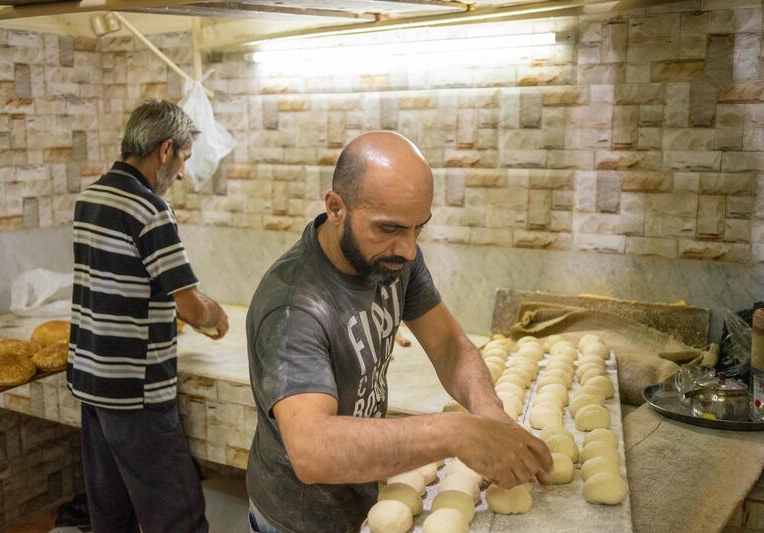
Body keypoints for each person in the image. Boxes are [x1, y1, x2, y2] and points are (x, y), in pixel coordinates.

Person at [245, 131, 552, 533]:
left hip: (366, 491)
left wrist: (490, 416)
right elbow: (312, 450)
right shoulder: (293, 306)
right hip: (301, 520)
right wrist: (457, 432)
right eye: (389, 228)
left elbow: (447, 344)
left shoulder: (391, 259)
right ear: (336, 207)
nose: (407, 249)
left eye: (417, 228)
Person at [67, 99, 229, 533]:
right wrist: (216, 317)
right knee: (177, 517)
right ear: (165, 149)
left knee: (112, 515)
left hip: (90, 380)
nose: (180, 174)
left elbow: (123, 284)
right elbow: (191, 306)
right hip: (134, 392)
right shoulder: (150, 209)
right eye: (183, 161)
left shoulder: (89, 197)